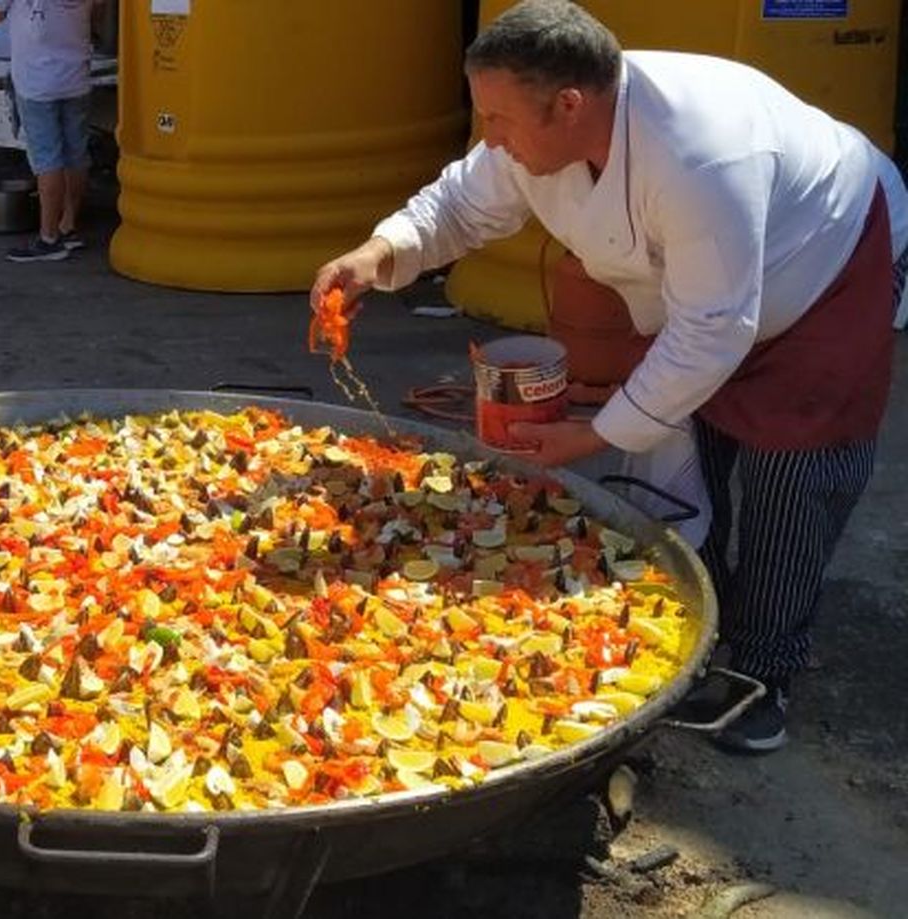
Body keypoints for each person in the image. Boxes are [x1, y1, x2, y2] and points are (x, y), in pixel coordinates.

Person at [311, 0, 905, 754]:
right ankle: (708, 608)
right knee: (694, 440)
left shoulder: (701, 155)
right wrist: (378, 253)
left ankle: (764, 672)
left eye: (500, 119)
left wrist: (591, 434)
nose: (491, 137)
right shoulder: (541, 132)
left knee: (793, 473)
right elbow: (460, 204)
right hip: (709, 294)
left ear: (569, 104)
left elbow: (713, 329)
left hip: (829, 261)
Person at [0, 0, 97, 262]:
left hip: (37, 81)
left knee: (48, 159)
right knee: (76, 155)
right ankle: (68, 226)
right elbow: (99, 10)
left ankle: (49, 238)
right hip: (76, 75)